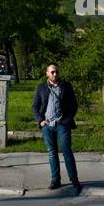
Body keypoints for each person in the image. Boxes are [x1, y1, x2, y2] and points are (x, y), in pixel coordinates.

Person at [33, 63, 81, 193]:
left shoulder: (66, 86)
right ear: (47, 73)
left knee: (67, 151)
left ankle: (74, 179)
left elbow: (74, 105)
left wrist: (67, 120)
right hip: (47, 126)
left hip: (62, 125)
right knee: (52, 153)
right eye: (52, 72)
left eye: (57, 72)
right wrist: (40, 120)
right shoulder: (41, 88)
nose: (55, 74)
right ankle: (56, 179)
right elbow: (35, 106)